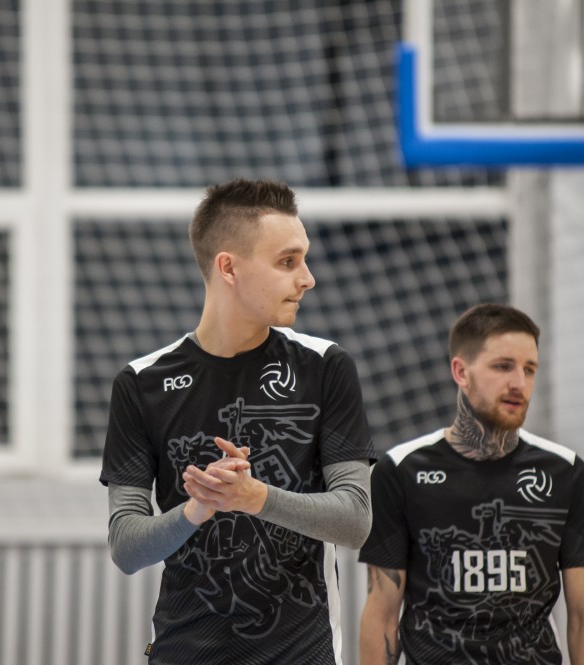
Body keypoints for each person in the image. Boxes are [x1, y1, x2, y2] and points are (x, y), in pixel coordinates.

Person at [99, 178, 377, 664]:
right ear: (228, 267)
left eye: (304, 260)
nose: (307, 278)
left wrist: (255, 497)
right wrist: (197, 509)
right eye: (288, 262)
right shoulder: (141, 382)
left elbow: (356, 521)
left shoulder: (325, 366)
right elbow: (126, 547)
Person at [358, 303, 584, 665]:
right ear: (461, 371)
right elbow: (382, 613)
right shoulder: (401, 470)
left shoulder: (564, 471)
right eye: (503, 366)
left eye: (529, 369)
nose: (519, 383)